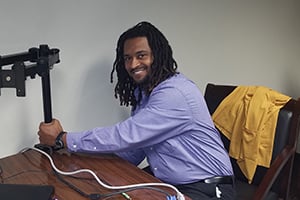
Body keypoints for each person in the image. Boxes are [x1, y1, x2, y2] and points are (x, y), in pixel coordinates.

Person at [38, 21, 235, 200]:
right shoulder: (145, 94)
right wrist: (86, 163)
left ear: (158, 56)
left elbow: (126, 135)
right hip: (171, 184)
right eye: (127, 58)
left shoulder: (174, 93)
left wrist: (63, 138)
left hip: (208, 188)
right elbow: (134, 151)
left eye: (141, 56)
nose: (133, 65)